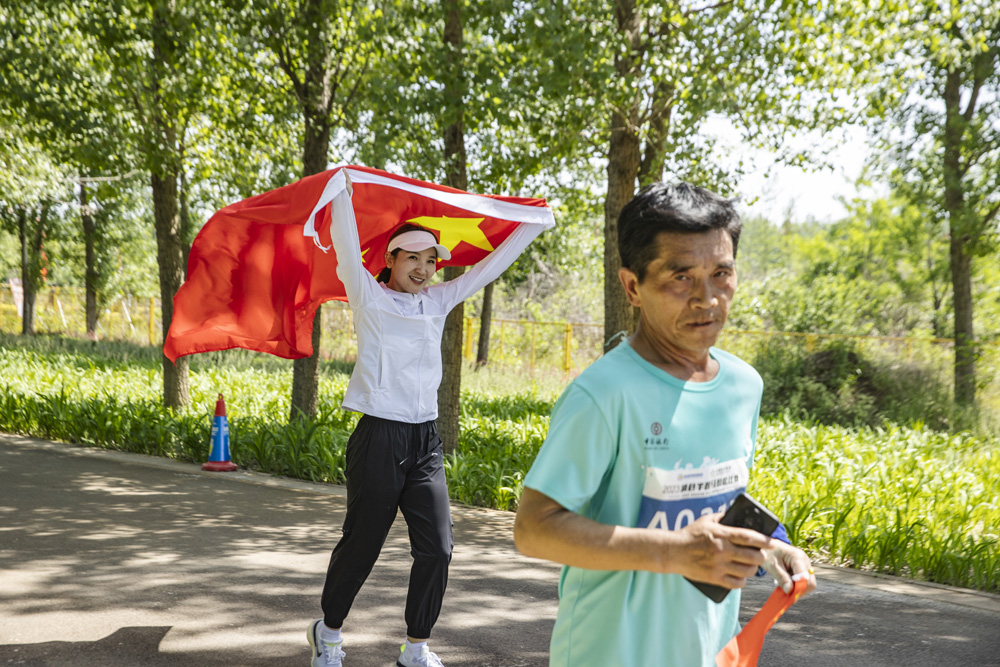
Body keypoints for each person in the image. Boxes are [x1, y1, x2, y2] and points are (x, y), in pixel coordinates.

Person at [512, 181, 817, 666]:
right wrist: (676, 552)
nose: (707, 298)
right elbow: (533, 529)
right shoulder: (603, 394)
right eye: (681, 277)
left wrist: (769, 548)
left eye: (722, 273)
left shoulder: (744, 386)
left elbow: (715, 503)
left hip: (707, 651)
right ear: (633, 286)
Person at [308, 171, 548, 667]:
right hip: (378, 436)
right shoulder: (369, 298)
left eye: (430, 260)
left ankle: (415, 647)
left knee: (438, 548)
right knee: (363, 546)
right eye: (412, 258)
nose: (422, 268)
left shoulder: (436, 302)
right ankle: (328, 633)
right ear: (391, 259)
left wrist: (530, 223)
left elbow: (486, 270)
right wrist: (342, 192)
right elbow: (347, 248)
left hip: (425, 442)